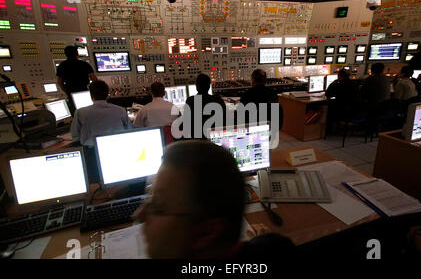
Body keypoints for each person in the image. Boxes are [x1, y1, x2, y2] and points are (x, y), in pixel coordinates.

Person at [134, 140, 295, 259]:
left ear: (207, 232)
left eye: (158, 206)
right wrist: (259, 244)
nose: (138, 215)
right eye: (149, 197)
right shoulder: (278, 246)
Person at [71, 80, 132, 183]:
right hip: (118, 151)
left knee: (95, 182)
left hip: (92, 155)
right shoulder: (120, 110)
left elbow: (75, 136)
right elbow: (129, 131)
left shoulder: (81, 112)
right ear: (107, 94)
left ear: (91, 95)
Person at [57, 46, 98, 116]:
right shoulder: (84, 64)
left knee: (75, 114)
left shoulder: (62, 65)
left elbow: (59, 82)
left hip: (71, 92)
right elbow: (94, 80)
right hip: (84, 91)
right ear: (77, 53)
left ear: (65, 54)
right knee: (87, 112)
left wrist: (67, 91)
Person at [183, 73, 226, 139]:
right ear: (209, 86)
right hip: (215, 138)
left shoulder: (190, 101)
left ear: (196, 86)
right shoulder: (218, 100)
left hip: (197, 140)